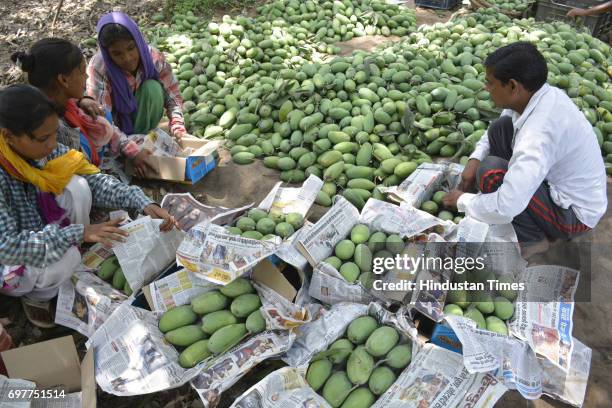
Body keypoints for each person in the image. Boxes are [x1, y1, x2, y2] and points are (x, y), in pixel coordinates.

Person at [0, 85, 177, 327]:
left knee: (79, 185)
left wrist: (140, 201)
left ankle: (70, 256)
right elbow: (7, 246)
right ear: (9, 137)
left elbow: (95, 181)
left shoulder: (41, 152)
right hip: (9, 259)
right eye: (43, 138)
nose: (52, 145)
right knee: (65, 260)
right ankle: (37, 297)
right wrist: (79, 232)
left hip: (42, 231)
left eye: (54, 134)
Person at [442, 42, 607, 250]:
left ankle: (534, 239)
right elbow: (495, 129)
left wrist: (463, 200)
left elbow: (507, 205)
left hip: (573, 215)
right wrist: (474, 160)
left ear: (512, 86)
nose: (486, 88)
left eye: (490, 83)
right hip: (553, 182)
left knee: (490, 171)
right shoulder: (536, 96)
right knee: (500, 128)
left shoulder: (538, 133)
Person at [11, 38, 154, 177]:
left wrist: (130, 150)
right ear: (64, 80)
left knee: (101, 114)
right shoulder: (55, 130)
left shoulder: (66, 100)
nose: (86, 77)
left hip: (93, 164)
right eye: (82, 72)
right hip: (81, 178)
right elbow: (87, 177)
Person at [87, 12, 190, 144]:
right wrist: (126, 146)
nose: (127, 58)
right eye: (117, 53)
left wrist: (178, 128)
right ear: (107, 53)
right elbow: (102, 118)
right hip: (114, 127)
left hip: (142, 117)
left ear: (138, 41)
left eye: (131, 48)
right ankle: (130, 147)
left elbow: (173, 96)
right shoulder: (99, 67)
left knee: (152, 88)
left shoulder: (153, 59)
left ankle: (143, 139)